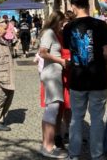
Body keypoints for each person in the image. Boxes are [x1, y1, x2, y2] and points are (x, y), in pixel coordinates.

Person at [63, 0, 107, 160]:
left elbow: (68, 53)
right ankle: (97, 155)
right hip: (98, 77)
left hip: (77, 78)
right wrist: (105, 60)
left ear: (74, 6)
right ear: (88, 5)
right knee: (97, 118)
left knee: (76, 118)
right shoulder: (100, 25)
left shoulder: (68, 27)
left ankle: (74, 154)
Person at [39, 11, 68, 159]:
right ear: (56, 21)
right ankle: (48, 147)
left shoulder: (53, 33)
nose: (62, 25)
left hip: (54, 73)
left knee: (53, 108)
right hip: (51, 73)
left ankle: (47, 144)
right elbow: (42, 52)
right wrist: (61, 61)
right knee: (53, 108)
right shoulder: (49, 33)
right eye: (61, 22)